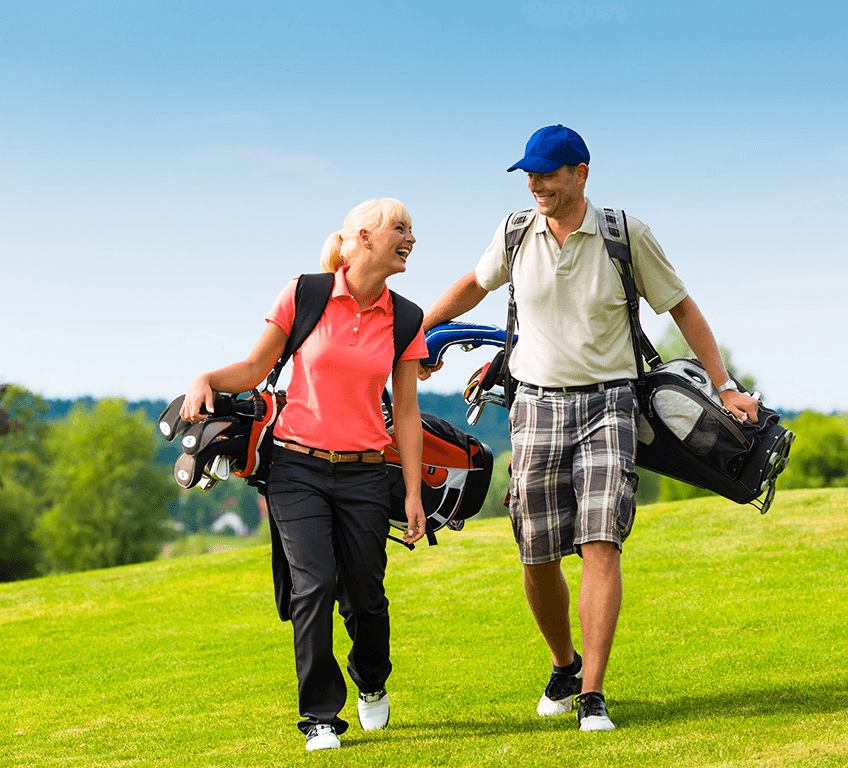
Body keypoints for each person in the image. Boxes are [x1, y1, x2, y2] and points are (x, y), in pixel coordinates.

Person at [420, 126, 759, 731]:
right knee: (536, 551)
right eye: (529, 174)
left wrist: (726, 385)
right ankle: (564, 663)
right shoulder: (514, 232)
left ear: (581, 172)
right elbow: (474, 284)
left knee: (601, 541)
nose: (536, 184)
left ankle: (593, 694)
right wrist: (420, 331)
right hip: (535, 406)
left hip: (611, 405)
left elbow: (682, 306)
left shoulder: (624, 234)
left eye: (548, 173)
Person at [180, 198, 429, 751]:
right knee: (312, 586)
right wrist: (205, 378)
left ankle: (371, 679)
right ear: (363, 238)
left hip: (366, 473)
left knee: (365, 594)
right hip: (297, 468)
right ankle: (320, 715)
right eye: (400, 228)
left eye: (411, 229)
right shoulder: (305, 293)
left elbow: (406, 412)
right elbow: (253, 369)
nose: (411, 237)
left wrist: (412, 492)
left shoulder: (406, 317)